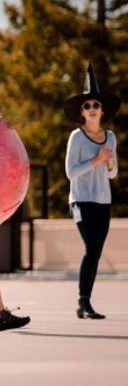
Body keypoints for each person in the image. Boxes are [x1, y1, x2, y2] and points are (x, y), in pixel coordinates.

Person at [63, 62, 121, 320]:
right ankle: (83, 301)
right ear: (82, 112)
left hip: (102, 200)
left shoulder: (110, 137)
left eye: (96, 104)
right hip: (81, 201)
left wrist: (108, 162)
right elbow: (71, 172)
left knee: (95, 250)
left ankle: (83, 303)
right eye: (87, 106)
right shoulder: (76, 137)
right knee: (93, 248)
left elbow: (113, 173)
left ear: (102, 110)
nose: (92, 108)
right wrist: (95, 161)